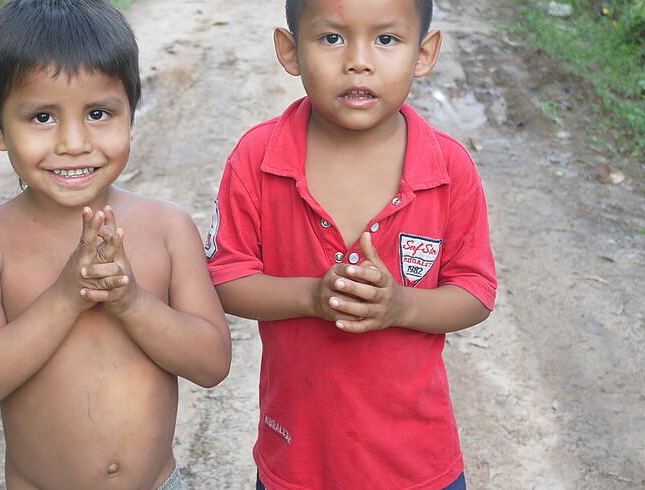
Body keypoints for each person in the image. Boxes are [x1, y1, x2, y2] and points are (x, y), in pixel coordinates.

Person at [205, 0, 497, 487]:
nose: (358, 61)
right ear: (290, 50)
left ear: (424, 54)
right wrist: (311, 297)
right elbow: (229, 277)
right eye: (332, 38)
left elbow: (475, 291)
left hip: (417, 465)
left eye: (386, 39)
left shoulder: (448, 169)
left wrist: (400, 306)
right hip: (297, 462)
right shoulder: (258, 158)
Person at [0, 1, 231, 488]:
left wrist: (131, 302)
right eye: (41, 117)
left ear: (131, 116)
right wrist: (64, 298)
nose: (74, 142)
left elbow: (212, 364)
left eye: (98, 113)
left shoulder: (166, 228)